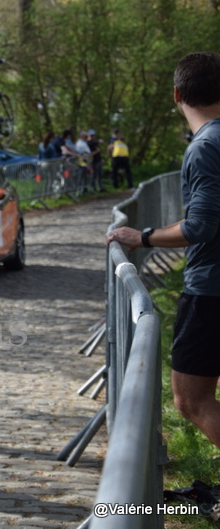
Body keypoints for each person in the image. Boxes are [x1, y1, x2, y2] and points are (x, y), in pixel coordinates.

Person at [107, 51, 220, 450]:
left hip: (211, 291)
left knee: (191, 399)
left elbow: (201, 226)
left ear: (176, 94)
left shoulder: (206, 146)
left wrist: (144, 237)